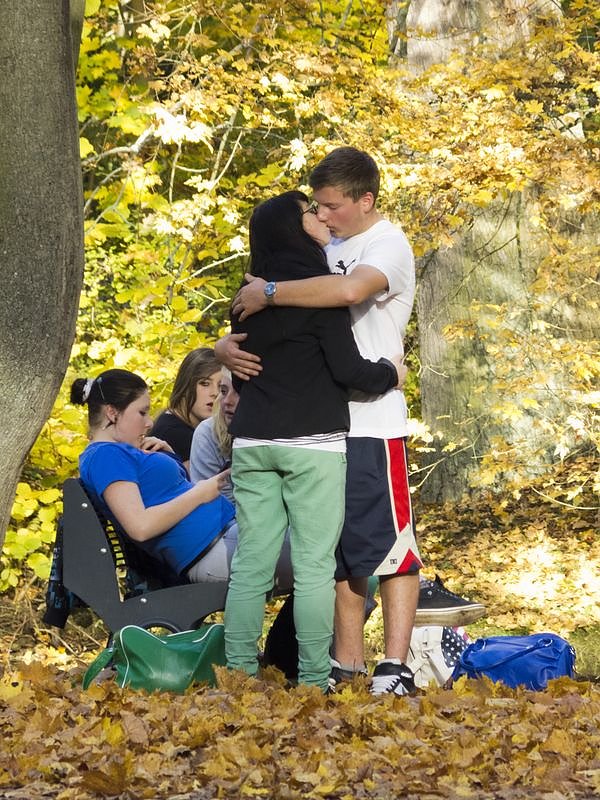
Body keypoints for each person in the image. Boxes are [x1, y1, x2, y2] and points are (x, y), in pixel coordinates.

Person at [218, 147, 423, 696]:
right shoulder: (314, 245)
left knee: (389, 544)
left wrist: (268, 294)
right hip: (322, 426)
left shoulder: (387, 243)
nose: (324, 215)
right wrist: (223, 348)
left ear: (365, 201)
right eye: (317, 207)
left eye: (332, 206)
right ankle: (346, 664)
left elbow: (349, 292)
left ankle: (394, 666)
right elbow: (254, 319)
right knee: (332, 556)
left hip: (372, 421)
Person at [70, 368, 292, 589]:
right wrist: (201, 493)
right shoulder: (104, 456)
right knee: (321, 555)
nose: (149, 423)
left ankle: (286, 627)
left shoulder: (117, 453)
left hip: (226, 538)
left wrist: (167, 456)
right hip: (214, 549)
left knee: (320, 552)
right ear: (112, 413)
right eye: (142, 412)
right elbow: (140, 526)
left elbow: (163, 495)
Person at [150, 347, 221, 472]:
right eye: (204, 383)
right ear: (185, 385)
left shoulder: (174, 421)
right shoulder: (174, 434)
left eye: (221, 386)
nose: (215, 393)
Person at [189, 368, 237, 504]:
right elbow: (222, 505)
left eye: (239, 392)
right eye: (223, 391)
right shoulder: (208, 432)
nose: (227, 401)